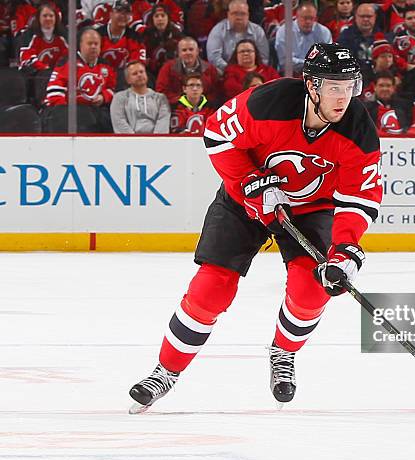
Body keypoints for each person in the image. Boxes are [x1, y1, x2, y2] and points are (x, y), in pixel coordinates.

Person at [128, 43, 382, 413]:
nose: (343, 97)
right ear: (312, 86)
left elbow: (360, 198)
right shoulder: (268, 102)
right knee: (211, 288)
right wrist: (249, 182)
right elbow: (217, 136)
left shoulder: (359, 130)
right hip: (245, 197)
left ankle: (284, 352)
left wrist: (344, 251)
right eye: (333, 87)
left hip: (312, 208)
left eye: (349, 87)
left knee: (312, 290)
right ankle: (165, 371)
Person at [206, 0, 269, 76]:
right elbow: (214, 58)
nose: (239, 17)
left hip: (254, 75)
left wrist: (252, 72)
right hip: (226, 75)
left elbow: (264, 58)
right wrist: (233, 71)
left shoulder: (258, 31)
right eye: (235, 13)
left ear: (248, 15)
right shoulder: (217, 31)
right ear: (228, 14)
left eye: (243, 14)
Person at [156, 36, 220, 105]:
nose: (188, 53)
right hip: (176, 107)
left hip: (205, 107)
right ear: (179, 53)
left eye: (191, 49)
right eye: (184, 50)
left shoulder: (210, 69)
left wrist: (200, 101)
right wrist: (183, 100)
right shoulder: (168, 68)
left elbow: (215, 92)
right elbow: (161, 92)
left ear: (197, 51)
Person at [110, 60, 171, 133]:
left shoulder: (160, 98)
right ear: (128, 80)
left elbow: (163, 121)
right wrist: (135, 140)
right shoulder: (119, 97)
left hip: (156, 141)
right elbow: (119, 121)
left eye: (141, 72)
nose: (139, 75)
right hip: (129, 142)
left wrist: (155, 140)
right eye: (135, 74)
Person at [275, 1, 332, 75]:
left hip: (317, 74)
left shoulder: (324, 32)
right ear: (297, 16)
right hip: (290, 75)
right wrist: (311, 64)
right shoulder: (284, 31)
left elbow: (327, 59)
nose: (308, 21)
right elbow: (285, 62)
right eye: (304, 18)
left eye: (311, 18)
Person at [363, 70, 415, 135]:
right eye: (381, 85)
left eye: (388, 85)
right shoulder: (366, 109)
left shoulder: (406, 105)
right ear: (375, 87)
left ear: (393, 88)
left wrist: (410, 133)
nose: (385, 89)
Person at [96, 0, 146, 71]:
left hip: (125, 79)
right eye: (119, 11)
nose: (123, 15)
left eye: (126, 13)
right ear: (111, 14)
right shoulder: (96, 35)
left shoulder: (135, 38)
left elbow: (138, 65)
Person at [18, 3, 68, 73]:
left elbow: (67, 55)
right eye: (44, 16)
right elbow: (26, 57)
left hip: (57, 73)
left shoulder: (63, 34)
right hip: (34, 74)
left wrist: (57, 69)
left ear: (56, 18)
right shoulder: (29, 34)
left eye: (51, 16)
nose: (48, 18)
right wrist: (44, 68)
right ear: (38, 18)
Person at [337, 3, 380, 74]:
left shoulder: (382, 37)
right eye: (362, 16)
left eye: (369, 16)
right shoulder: (346, 36)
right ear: (355, 17)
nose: (366, 19)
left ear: (375, 17)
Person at [143, 3, 182, 75]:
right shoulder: (146, 35)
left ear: (168, 18)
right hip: (152, 73)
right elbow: (145, 60)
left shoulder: (177, 34)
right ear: (152, 19)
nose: (160, 19)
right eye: (156, 16)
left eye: (163, 15)